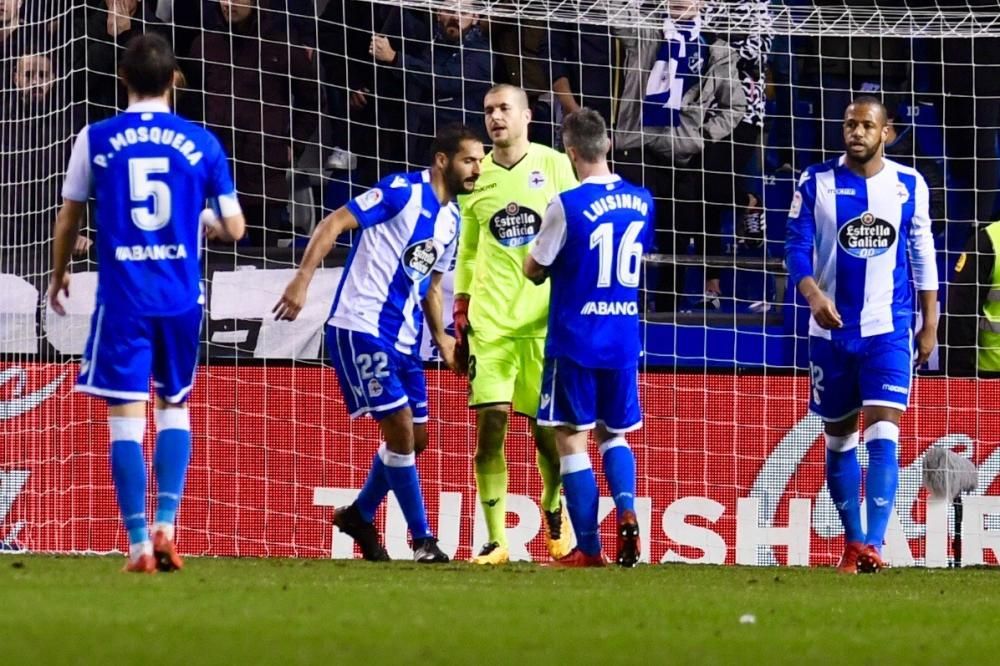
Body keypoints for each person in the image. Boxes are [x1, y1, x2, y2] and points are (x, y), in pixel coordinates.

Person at [48, 33, 246, 573]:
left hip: (125, 300)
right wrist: (195, 219)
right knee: (175, 407)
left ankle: (138, 544)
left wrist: (60, 272)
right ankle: (167, 524)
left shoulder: (96, 137)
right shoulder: (202, 142)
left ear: (122, 79)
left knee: (124, 420)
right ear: (175, 80)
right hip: (181, 299)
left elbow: (69, 216)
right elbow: (235, 226)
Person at [273, 124, 485, 564]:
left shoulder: (453, 220)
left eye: (480, 161)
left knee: (418, 439)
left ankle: (360, 514)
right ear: (443, 160)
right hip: (361, 324)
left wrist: (442, 338)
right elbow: (335, 221)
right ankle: (423, 539)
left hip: (406, 340)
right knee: (402, 428)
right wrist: (301, 279)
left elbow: (429, 285)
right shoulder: (400, 191)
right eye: (469, 160)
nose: (477, 170)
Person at [784, 96, 938, 575]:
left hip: (888, 329)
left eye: (866, 125)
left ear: (886, 132)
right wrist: (813, 295)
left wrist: (930, 322)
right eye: (850, 124)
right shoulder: (815, 182)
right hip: (829, 334)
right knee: (838, 439)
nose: (856, 132)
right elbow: (794, 250)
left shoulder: (909, 184)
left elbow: (922, 254)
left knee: (884, 434)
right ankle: (852, 544)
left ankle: (872, 544)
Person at [454, 84, 578, 565]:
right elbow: (468, 246)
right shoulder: (477, 174)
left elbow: (578, 231)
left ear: (527, 115)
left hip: (543, 324)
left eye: (505, 108)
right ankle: (495, 539)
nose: (495, 117)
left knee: (546, 435)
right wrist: (462, 305)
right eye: (488, 110)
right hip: (491, 324)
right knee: (492, 425)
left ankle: (553, 508)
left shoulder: (553, 166)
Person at [523, 108, 652, 568]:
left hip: (575, 340)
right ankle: (629, 510)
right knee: (613, 435)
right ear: (608, 146)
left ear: (571, 151)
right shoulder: (643, 201)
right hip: (622, 340)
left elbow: (534, 267)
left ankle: (590, 549)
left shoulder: (566, 204)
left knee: (570, 441)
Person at [941, 221, 1000, 378]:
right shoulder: (988, 241)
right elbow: (959, 316)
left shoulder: (990, 239)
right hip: (991, 379)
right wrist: (961, 380)